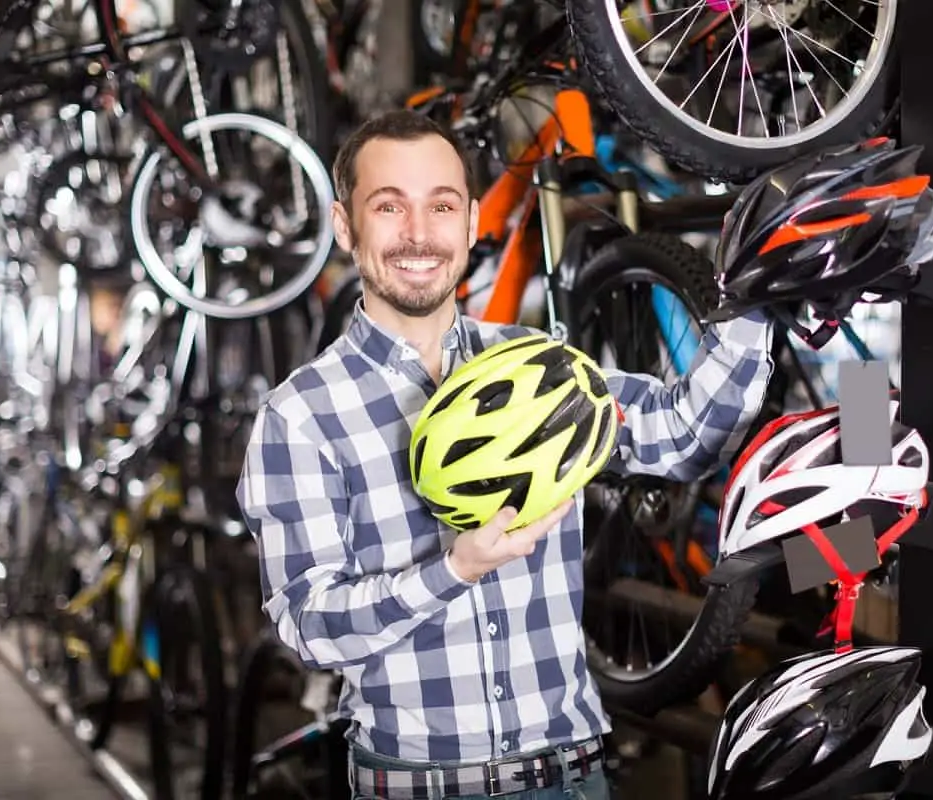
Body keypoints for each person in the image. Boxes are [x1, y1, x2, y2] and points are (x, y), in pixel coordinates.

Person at [236, 109, 774, 800]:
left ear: (467, 226)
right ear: (346, 226)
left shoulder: (539, 368)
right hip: (418, 786)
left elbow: (686, 432)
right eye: (389, 206)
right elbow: (310, 627)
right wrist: (455, 568)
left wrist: (757, 290)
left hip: (571, 780)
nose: (419, 234)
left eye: (442, 206)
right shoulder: (300, 416)